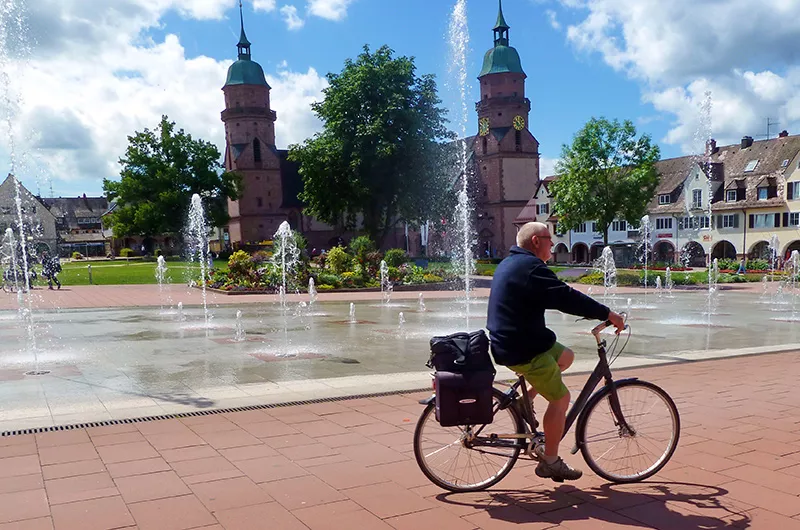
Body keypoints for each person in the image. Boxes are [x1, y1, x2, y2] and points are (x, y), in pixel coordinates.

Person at [487, 222, 625, 482]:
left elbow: (558, 297)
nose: (553, 244)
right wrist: (607, 314)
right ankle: (550, 461)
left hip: (513, 340)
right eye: (550, 239)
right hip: (522, 348)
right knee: (561, 399)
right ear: (537, 241)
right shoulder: (531, 268)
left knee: (566, 357)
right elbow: (565, 297)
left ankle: (522, 401)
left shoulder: (512, 262)